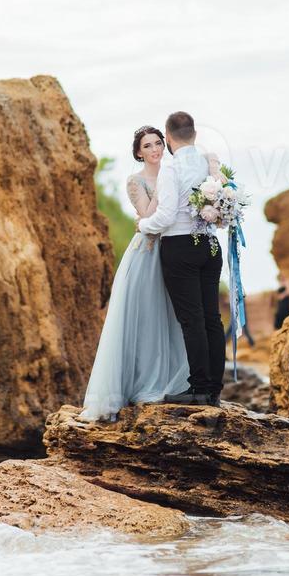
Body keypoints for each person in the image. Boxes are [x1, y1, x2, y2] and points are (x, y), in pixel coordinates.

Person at [78, 125, 191, 421]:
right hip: (147, 253)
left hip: (173, 251)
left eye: (158, 144)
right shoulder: (135, 181)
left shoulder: (175, 172)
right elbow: (148, 215)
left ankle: (170, 380)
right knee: (144, 316)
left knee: (170, 316)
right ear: (138, 153)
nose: (155, 150)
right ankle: (137, 383)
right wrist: (166, 188)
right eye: (148, 146)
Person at [138, 111, 226, 406]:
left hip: (180, 247)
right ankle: (214, 388)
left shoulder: (171, 169)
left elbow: (164, 214)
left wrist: (143, 226)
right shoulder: (210, 165)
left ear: (169, 136)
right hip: (211, 247)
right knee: (212, 318)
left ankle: (198, 389)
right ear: (194, 135)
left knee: (192, 320)